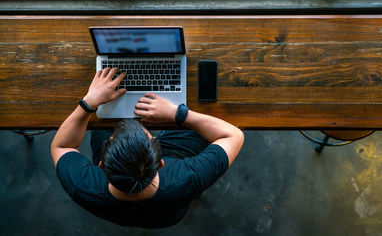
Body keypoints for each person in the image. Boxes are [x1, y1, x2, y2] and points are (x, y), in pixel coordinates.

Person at [51, 67, 244, 228]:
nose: (139, 123)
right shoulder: (189, 177)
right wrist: (178, 113)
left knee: (104, 117)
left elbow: (62, 146)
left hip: (128, 212)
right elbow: (233, 135)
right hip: (169, 215)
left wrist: (89, 103)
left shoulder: (82, 185)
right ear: (161, 163)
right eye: (147, 132)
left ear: (102, 166)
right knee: (200, 119)